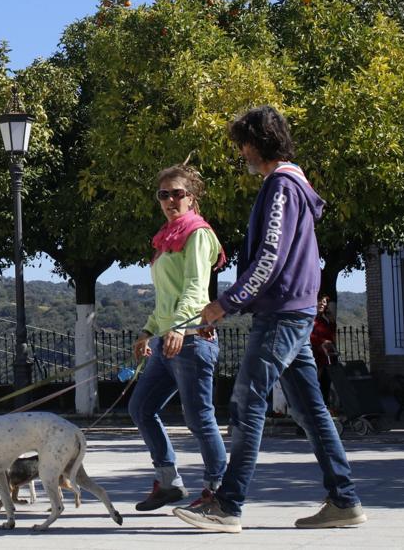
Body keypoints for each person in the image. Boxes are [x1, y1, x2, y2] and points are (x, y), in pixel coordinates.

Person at [174, 106, 366, 533]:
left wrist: (228, 301)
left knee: (246, 402)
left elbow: (269, 257)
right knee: (310, 410)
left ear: (259, 143)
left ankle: (228, 505)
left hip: (281, 314)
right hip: (292, 311)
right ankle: (345, 500)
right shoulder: (293, 185)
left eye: (243, 143)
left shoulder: (280, 186)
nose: (241, 152)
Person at [128, 165, 228, 512]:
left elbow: (195, 288)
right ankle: (168, 482)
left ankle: (217, 490)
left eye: (178, 193)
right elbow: (165, 299)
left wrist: (181, 326)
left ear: (192, 196)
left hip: (191, 338)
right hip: (167, 340)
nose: (170, 200)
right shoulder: (166, 238)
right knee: (140, 407)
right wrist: (147, 331)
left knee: (199, 417)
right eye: (164, 194)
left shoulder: (198, 234)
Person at [310, 292, 338, 405]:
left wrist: (332, 322)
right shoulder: (310, 319)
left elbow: (330, 337)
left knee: (324, 385)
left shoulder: (324, 321)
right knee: (313, 386)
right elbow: (308, 336)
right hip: (314, 358)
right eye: (320, 300)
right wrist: (322, 342)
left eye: (325, 302)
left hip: (325, 359)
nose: (322, 303)